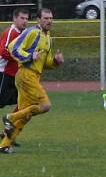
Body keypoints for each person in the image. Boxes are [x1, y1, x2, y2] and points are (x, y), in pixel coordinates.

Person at [1, 8, 63, 154]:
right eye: (46, 18)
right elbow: (12, 48)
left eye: (51, 18)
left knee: (26, 115)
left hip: (33, 76)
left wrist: (55, 61)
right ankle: (9, 117)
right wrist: (29, 56)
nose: (49, 21)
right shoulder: (32, 32)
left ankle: (4, 145)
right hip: (25, 75)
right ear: (38, 20)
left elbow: (45, 63)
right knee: (45, 105)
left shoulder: (48, 38)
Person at [0, 8, 29, 147]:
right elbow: (4, 52)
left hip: (16, 75)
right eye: (22, 18)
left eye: (26, 18)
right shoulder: (10, 32)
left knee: (24, 103)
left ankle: (9, 131)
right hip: (4, 73)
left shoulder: (24, 33)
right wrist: (21, 56)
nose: (25, 21)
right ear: (14, 19)